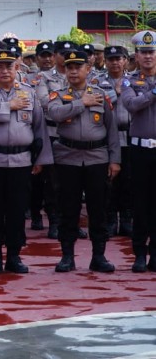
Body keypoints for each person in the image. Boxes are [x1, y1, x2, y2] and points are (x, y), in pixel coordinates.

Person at [0, 44, 53, 274]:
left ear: (17, 66)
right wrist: (8, 106)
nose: (4, 70)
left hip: (21, 161)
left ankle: (15, 256)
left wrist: (41, 160)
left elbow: (40, 128)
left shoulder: (28, 92)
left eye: (9, 66)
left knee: (17, 210)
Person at [47, 49, 120, 273]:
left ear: (88, 69)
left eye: (78, 67)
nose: (73, 71)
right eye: (69, 67)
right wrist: (81, 103)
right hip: (68, 158)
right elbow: (54, 114)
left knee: (98, 209)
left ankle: (98, 256)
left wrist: (114, 160)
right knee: (68, 209)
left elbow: (112, 130)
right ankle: (67, 256)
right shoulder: (58, 94)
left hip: (96, 158)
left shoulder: (101, 94)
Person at [120, 30, 156, 272]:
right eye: (143, 52)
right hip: (140, 151)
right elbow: (131, 105)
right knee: (141, 203)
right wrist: (153, 93)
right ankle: (139, 253)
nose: (148, 56)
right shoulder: (128, 80)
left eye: (152, 51)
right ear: (136, 55)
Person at [103, 45, 132, 238]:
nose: (115, 62)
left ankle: (127, 220)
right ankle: (111, 220)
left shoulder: (135, 80)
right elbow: (99, 99)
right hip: (107, 137)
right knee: (109, 182)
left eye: (119, 58)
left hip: (130, 135)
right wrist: (117, 92)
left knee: (130, 181)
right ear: (105, 61)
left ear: (126, 61)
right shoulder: (97, 81)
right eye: (111, 59)